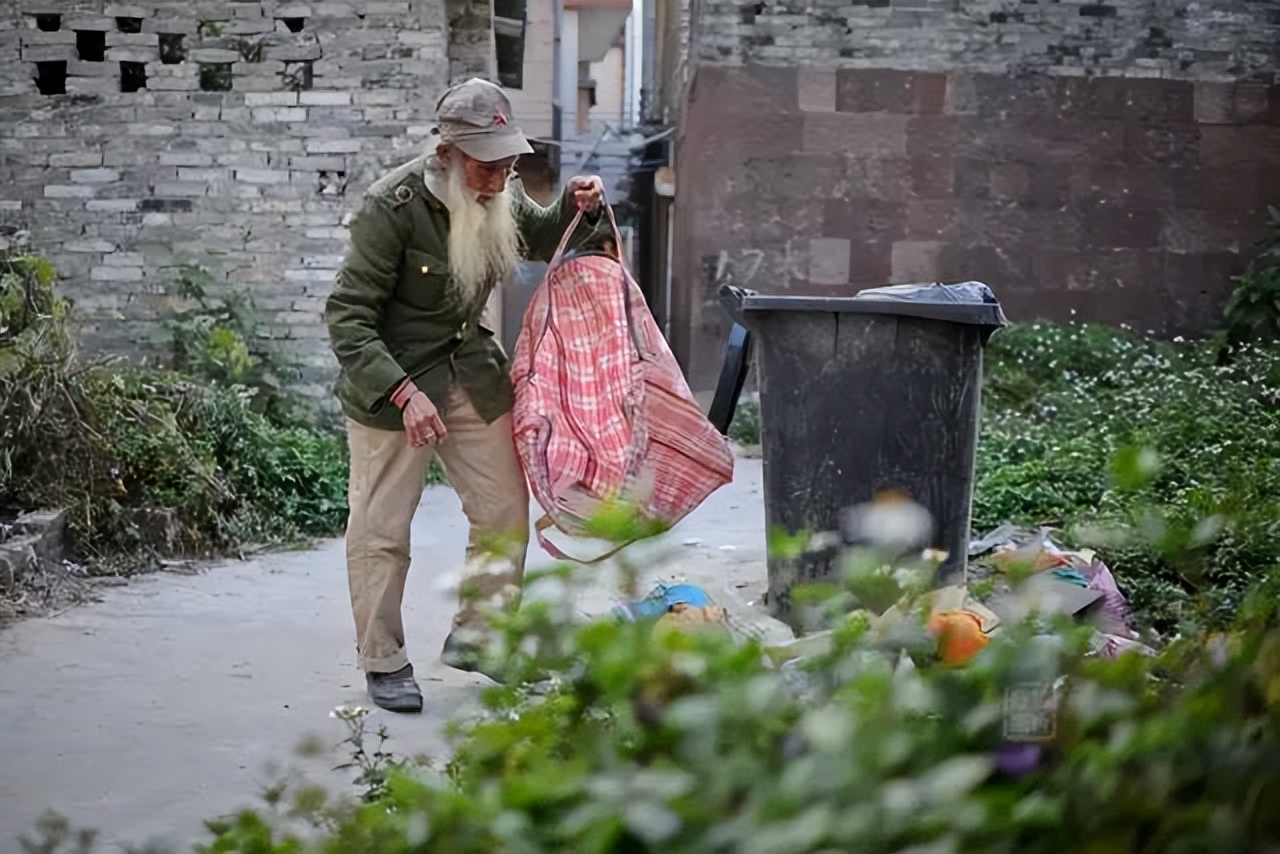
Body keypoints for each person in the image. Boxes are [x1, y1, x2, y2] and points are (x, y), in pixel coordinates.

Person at [325, 78, 606, 713]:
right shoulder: (390, 209)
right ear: (448, 152)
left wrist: (577, 206)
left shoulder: (498, 186)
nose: (502, 174)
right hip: (393, 386)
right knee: (381, 531)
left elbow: (539, 238)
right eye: (489, 162)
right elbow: (348, 316)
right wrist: (401, 392)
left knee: (505, 510)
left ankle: (483, 639)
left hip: (471, 373)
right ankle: (383, 658)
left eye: (510, 161)